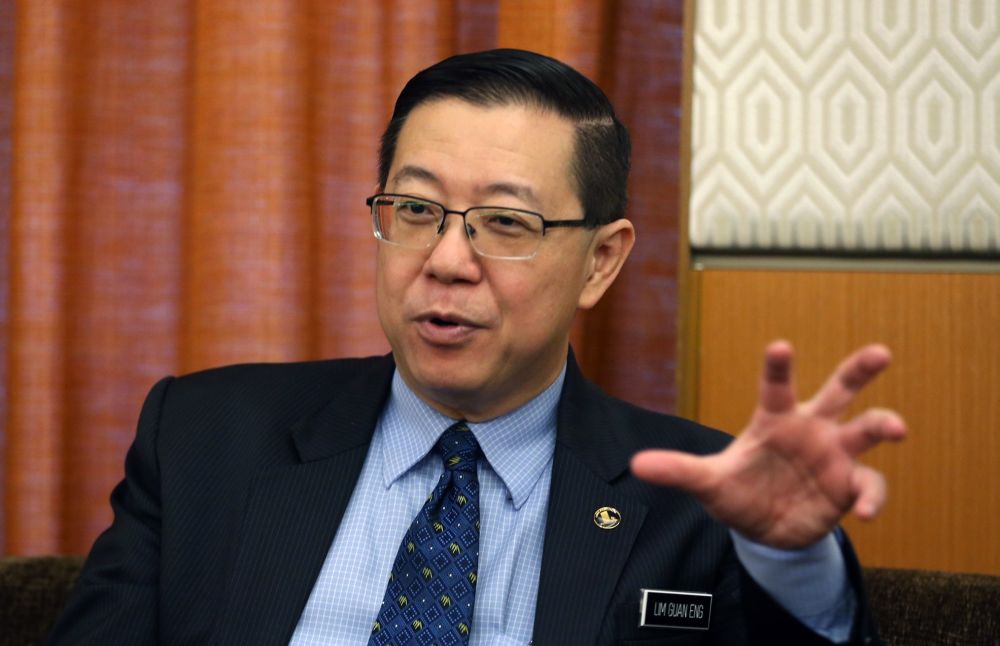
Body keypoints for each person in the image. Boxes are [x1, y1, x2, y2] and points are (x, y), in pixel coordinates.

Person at [49, 49, 906, 645]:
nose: (448, 261)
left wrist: (792, 563)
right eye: (416, 211)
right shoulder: (204, 438)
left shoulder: (706, 502)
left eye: (506, 223)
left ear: (600, 262)